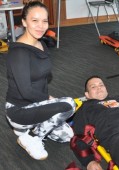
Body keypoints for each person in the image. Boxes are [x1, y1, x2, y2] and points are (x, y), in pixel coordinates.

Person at [5, 1, 75, 160]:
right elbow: (26, 91)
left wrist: (47, 102)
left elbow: (41, 80)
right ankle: (32, 138)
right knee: (69, 104)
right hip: (19, 110)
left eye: (44, 21)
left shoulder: (40, 43)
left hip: (35, 105)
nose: (41, 26)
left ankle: (29, 127)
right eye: (34, 20)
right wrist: (50, 101)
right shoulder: (19, 53)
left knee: (67, 136)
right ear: (24, 22)